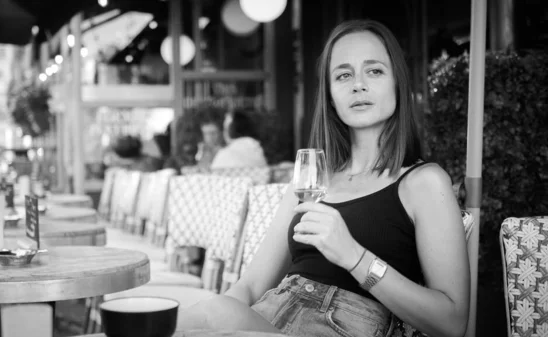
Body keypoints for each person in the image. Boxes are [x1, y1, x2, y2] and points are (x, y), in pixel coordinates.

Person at [177, 19, 470, 337]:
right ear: (330, 95)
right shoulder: (310, 182)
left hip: (344, 326)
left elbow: (451, 321)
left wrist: (354, 256)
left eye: (374, 71)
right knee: (204, 315)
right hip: (270, 317)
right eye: (344, 75)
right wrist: (215, 322)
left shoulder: (424, 182)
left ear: (398, 84)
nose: (358, 85)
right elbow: (249, 287)